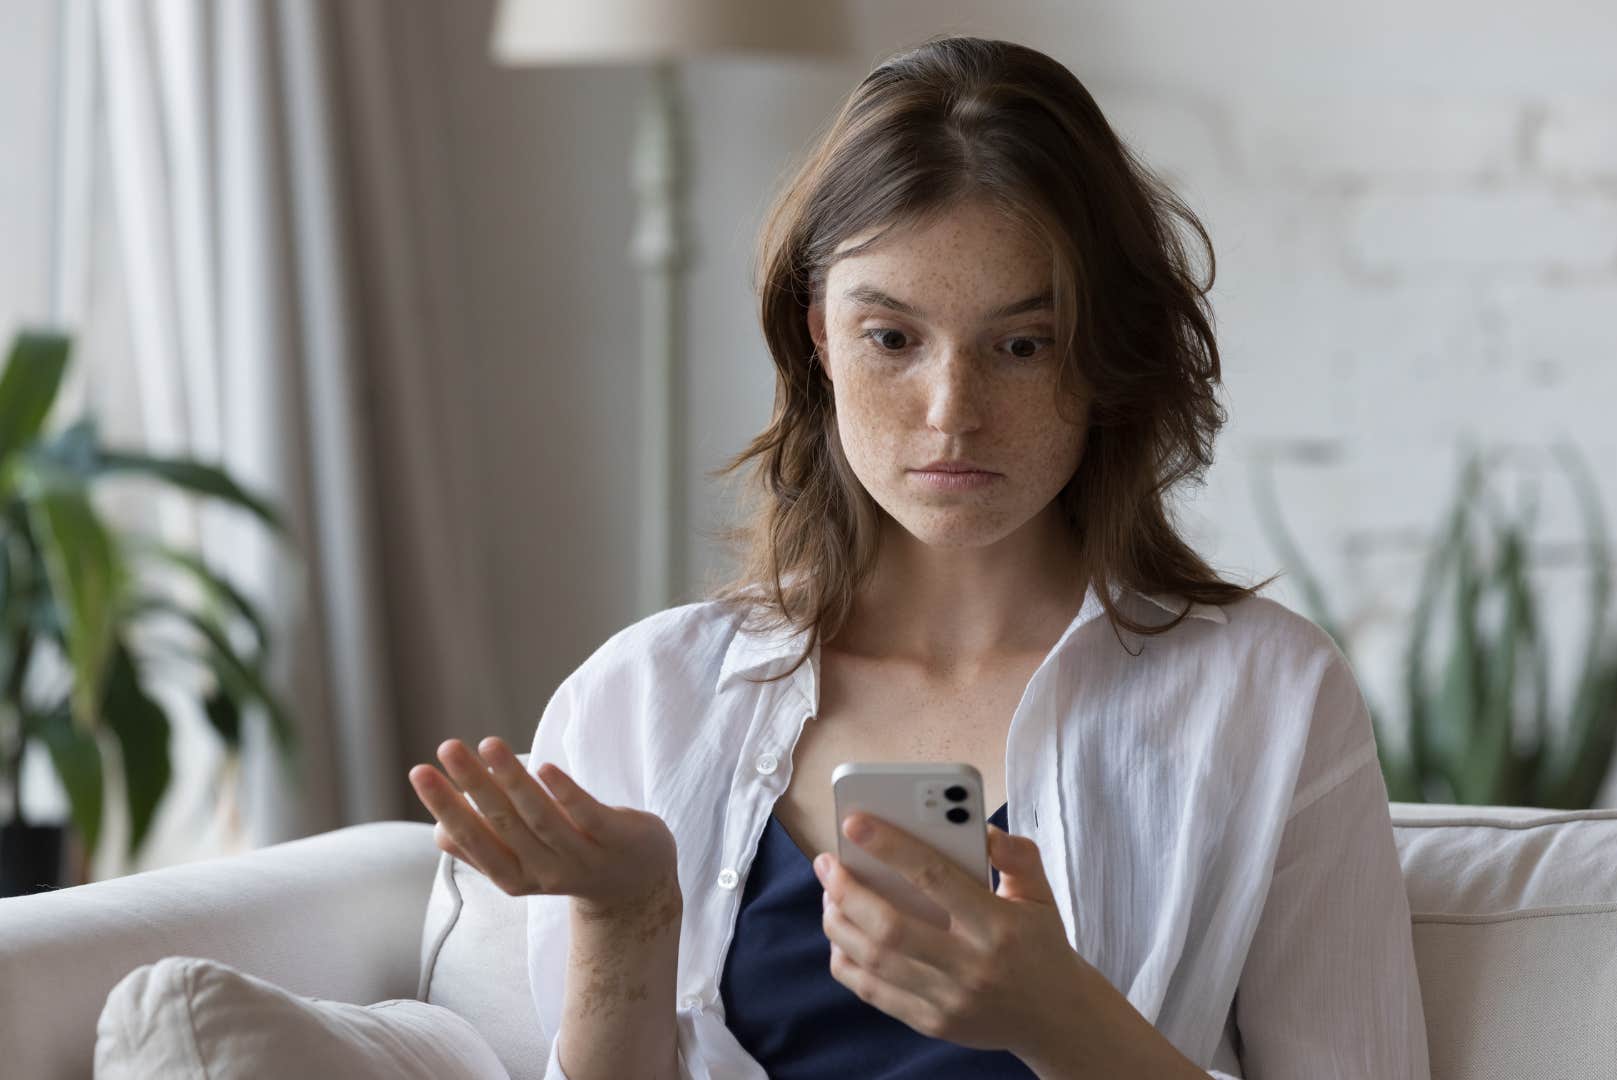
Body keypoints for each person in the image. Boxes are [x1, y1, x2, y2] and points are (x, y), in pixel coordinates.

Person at [408, 33, 1429, 1080]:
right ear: (819, 339)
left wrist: (1061, 1018)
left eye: (1022, 345)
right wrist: (629, 921)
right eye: (892, 339)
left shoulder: (1265, 699)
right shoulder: (643, 699)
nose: (954, 414)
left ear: (1105, 361)